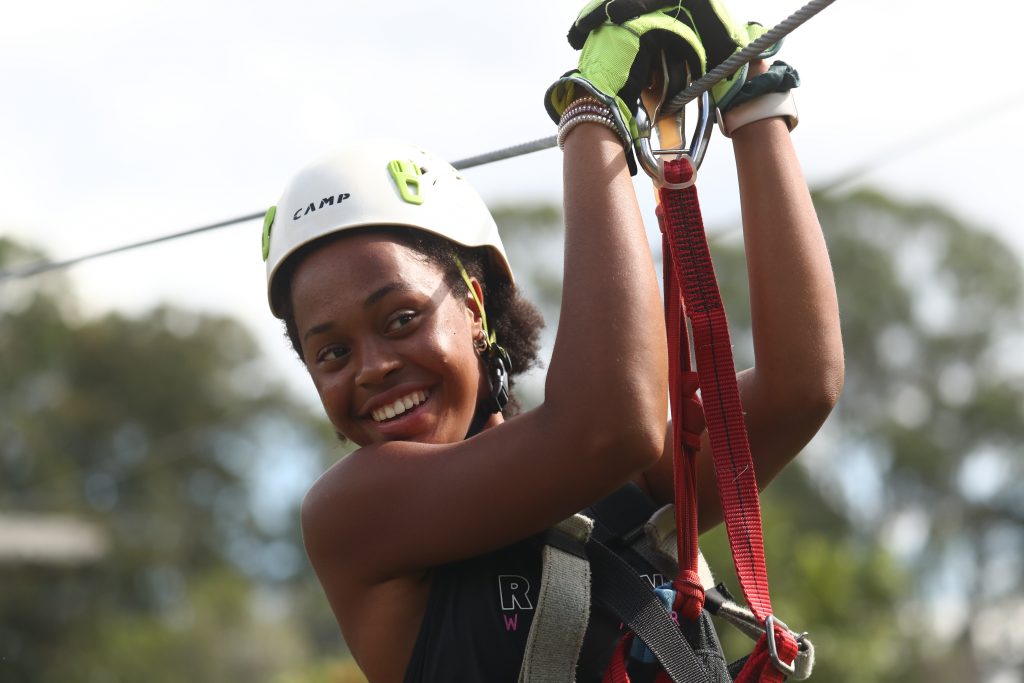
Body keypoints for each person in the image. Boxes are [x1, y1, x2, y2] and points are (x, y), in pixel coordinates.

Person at [260, 3, 843, 681]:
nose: (373, 367)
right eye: (330, 353)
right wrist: (591, 118)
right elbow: (608, 428)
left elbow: (799, 386)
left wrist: (754, 100)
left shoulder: (617, 485)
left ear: (475, 306)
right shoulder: (354, 517)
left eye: (400, 319)